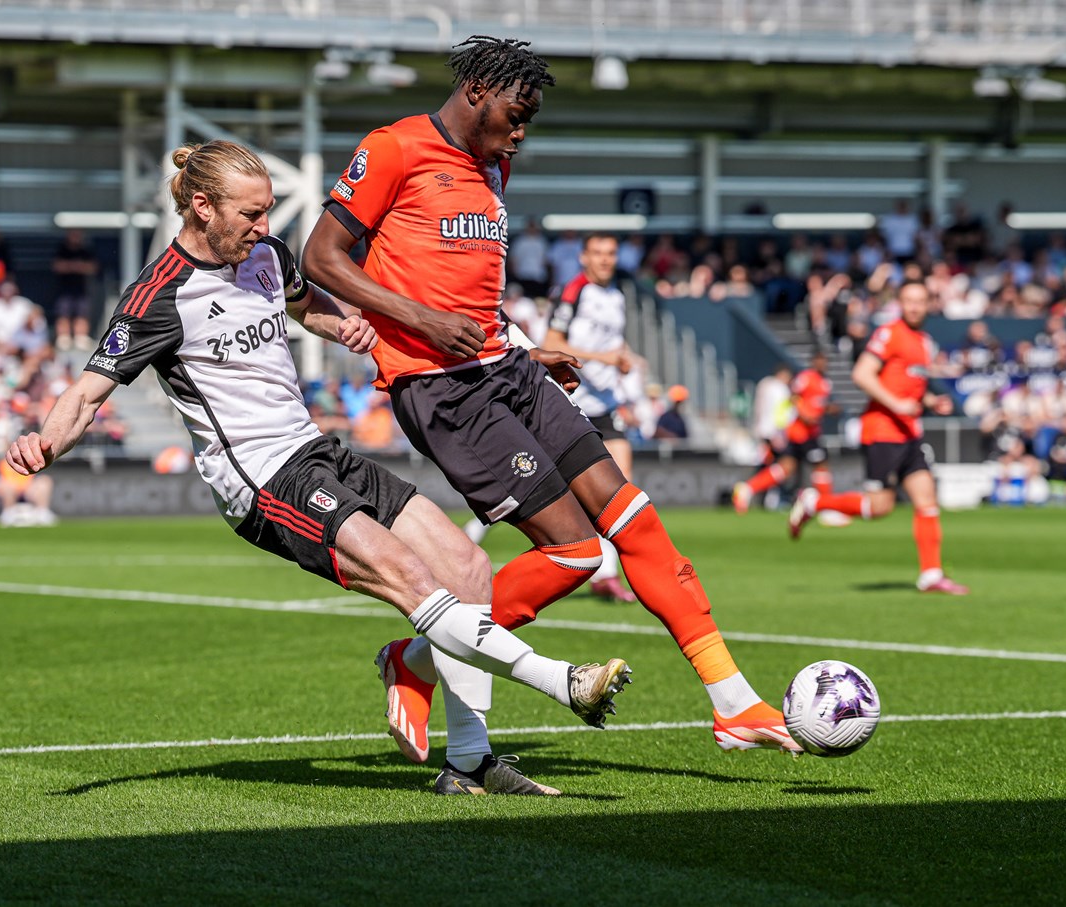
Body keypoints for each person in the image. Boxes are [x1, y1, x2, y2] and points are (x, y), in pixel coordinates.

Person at [4, 139, 632, 797]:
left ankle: (470, 762)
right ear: (202, 206)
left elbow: (306, 307)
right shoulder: (157, 296)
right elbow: (87, 394)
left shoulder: (268, 256)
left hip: (315, 449)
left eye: (268, 211)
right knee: (411, 578)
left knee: (468, 568)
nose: (264, 226)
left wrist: (344, 327)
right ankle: (564, 681)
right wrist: (44, 444)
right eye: (250, 214)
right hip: (262, 479)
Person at [304, 36, 802, 761]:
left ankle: (733, 702)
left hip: (507, 366)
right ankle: (413, 660)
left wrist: (522, 343)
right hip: (440, 387)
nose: (521, 132)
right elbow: (320, 257)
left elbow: (468, 282)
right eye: (517, 113)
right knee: (575, 553)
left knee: (636, 522)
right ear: (477, 91)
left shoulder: (494, 165)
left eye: (529, 119)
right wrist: (421, 320)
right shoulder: (394, 148)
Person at [788, 280, 969, 595]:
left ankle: (931, 575)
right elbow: (862, 374)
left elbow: (910, 384)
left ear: (929, 304)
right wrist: (896, 404)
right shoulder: (889, 333)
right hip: (882, 431)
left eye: (920, 301)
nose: (914, 307)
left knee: (927, 500)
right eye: (909, 300)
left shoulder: (925, 342)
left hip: (909, 432)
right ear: (900, 303)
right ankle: (814, 502)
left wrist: (930, 401)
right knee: (879, 508)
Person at [540, 232, 641, 603]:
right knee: (548, 488)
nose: (604, 259)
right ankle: (476, 531)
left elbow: (612, 345)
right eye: (597, 253)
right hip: (573, 401)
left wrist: (625, 359)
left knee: (621, 489)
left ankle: (607, 574)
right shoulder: (574, 291)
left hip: (607, 404)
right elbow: (551, 343)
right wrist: (604, 359)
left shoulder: (617, 296)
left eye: (610, 253)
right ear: (583, 257)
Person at [733, 350, 836, 514]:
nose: (823, 364)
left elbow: (817, 405)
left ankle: (747, 489)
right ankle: (827, 507)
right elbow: (793, 397)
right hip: (801, 432)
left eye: (825, 360)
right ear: (814, 361)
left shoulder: (826, 383)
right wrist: (803, 413)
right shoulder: (806, 378)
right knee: (820, 464)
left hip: (810, 432)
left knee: (786, 467)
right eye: (820, 360)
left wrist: (829, 409)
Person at [52, 229, 100, 350]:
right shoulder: (62, 250)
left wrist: (73, 266)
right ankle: (64, 338)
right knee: (63, 313)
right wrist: (75, 266)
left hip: (81, 289)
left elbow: (92, 267)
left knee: (82, 313)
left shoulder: (85, 251)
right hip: (64, 289)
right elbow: (57, 266)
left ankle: (80, 337)